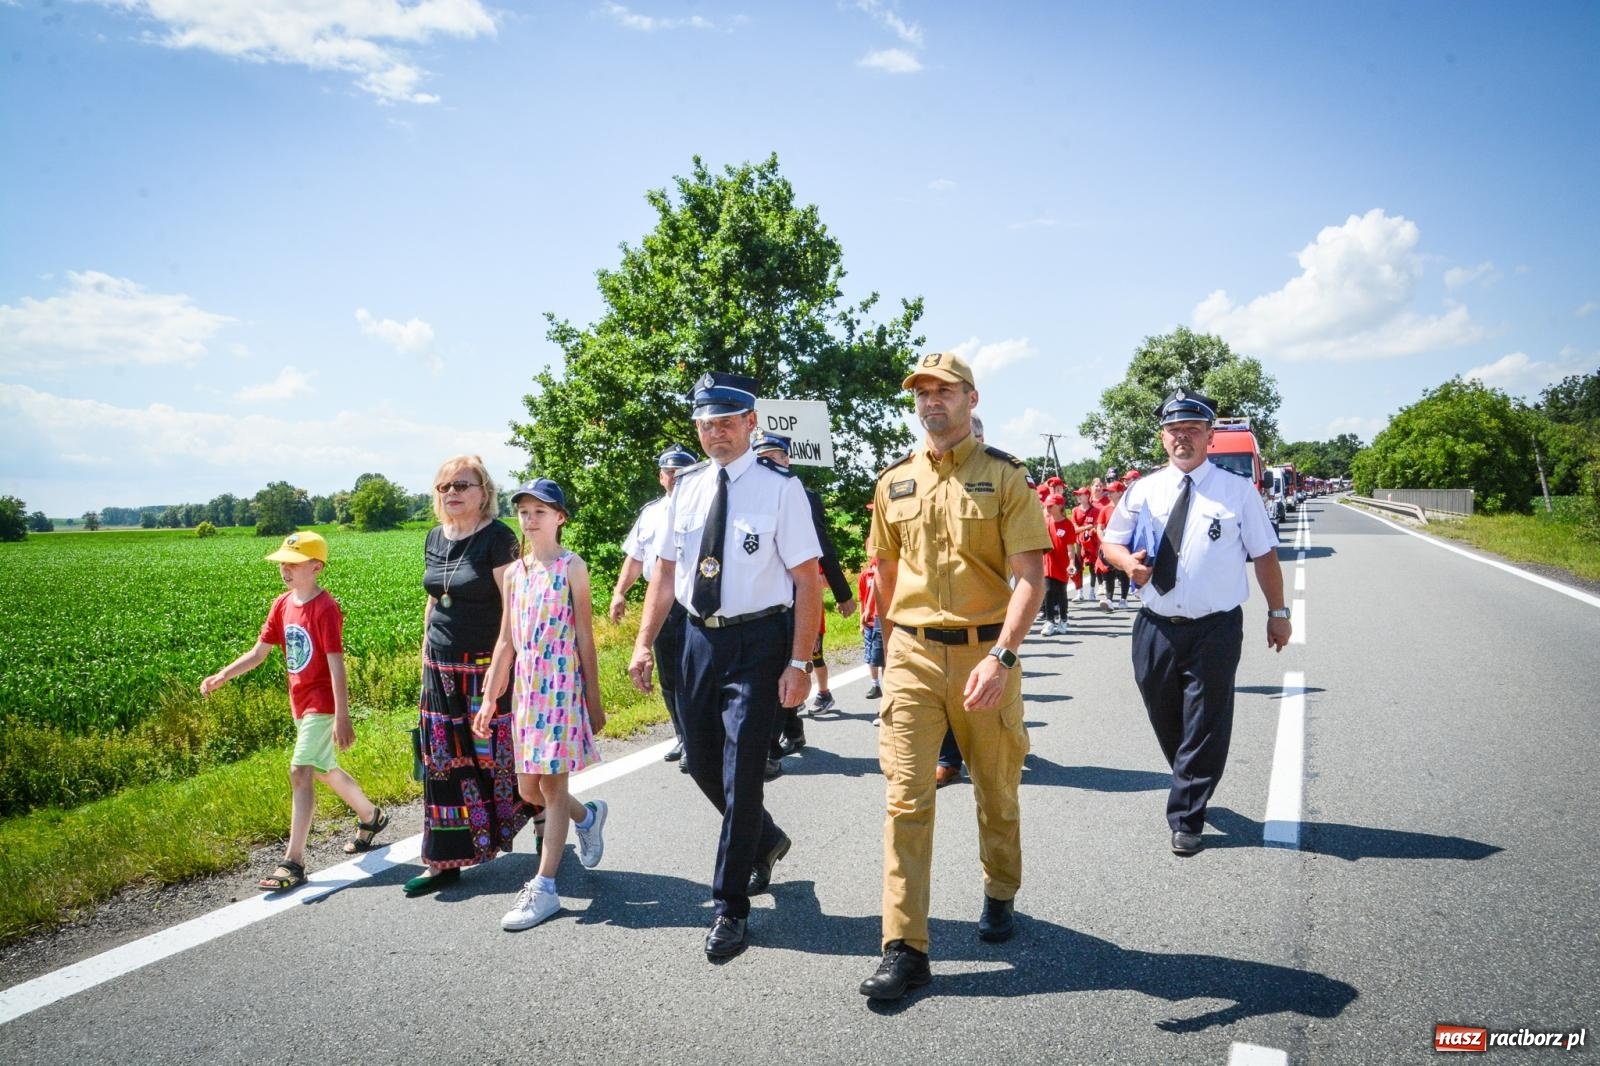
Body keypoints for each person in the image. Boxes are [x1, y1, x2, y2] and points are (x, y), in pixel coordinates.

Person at [860, 351, 1048, 1001]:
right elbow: (883, 571)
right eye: (921, 392)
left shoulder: (1007, 478)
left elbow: (1031, 576)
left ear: (971, 397)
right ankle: (904, 947)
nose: (931, 401)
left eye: (944, 391)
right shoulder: (893, 483)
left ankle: (1001, 889)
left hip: (985, 656)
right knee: (906, 798)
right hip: (911, 654)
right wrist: (886, 650)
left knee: (995, 789)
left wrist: (1003, 655)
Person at [628, 371, 822, 960]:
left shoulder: (781, 489)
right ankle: (763, 838)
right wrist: (643, 642)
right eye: (706, 424)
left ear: (750, 423)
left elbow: (806, 583)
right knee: (701, 761)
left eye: (727, 422)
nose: (716, 433)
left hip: (759, 641)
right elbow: (663, 573)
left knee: (741, 773)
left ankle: (729, 907)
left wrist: (799, 661)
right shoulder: (683, 489)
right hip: (696, 640)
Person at [1100, 388, 1292, 856]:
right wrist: (1128, 565)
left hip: (1214, 627)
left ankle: (1187, 815)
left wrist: (1278, 612)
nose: (1181, 437)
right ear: (1163, 438)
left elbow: (1264, 555)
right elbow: (1111, 544)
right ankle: (1191, 774)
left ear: (1209, 437)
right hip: (1155, 625)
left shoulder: (1237, 491)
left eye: (1192, 430)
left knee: (1205, 720)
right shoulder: (1143, 489)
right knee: (1166, 716)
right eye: (1173, 430)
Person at [202, 531, 388, 892]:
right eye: (282, 564)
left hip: (322, 702)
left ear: (316, 567)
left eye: (293, 564)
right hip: (300, 703)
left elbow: (336, 664)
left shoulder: (325, 608)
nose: (285, 570)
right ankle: (371, 815)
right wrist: (224, 674)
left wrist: (343, 715)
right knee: (323, 768)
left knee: (300, 771)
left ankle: (294, 861)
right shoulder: (282, 604)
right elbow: (259, 653)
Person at [406, 457, 542, 897]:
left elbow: (514, 604)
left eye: (462, 484)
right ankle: (443, 860)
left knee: (499, 757)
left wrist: (506, 668)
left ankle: (546, 817)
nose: (452, 493)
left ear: (484, 491)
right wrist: (425, 652)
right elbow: (433, 599)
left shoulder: (499, 538)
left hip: (488, 666)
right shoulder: (433, 537)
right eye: (444, 485)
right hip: (440, 670)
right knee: (442, 764)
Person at [478, 479, 609, 929]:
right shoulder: (515, 573)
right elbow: (505, 641)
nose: (530, 520)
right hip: (526, 691)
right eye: (524, 512)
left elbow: (586, 639)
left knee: (551, 790)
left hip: (561, 688)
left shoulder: (573, 567)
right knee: (528, 790)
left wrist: (594, 700)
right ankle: (587, 816)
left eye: (539, 512)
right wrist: (490, 696)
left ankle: (545, 888)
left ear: (559, 518)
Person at [751, 432, 856, 776]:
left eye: (774, 457)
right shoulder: (743, 492)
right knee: (775, 672)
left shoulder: (800, 494)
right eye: (761, 456)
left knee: (786, 668)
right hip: (759, 600)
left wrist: (842, 593)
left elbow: (822, 548)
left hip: (795, 597)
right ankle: (791, 731)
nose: (767, 463)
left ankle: (770, 747)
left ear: (787, 459)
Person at [611, 443, 699, 773]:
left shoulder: (706, 506)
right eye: (669, 473)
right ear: (661, 476)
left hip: (691, 600)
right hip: (659, 601)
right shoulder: (651, 513)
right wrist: (620, 592)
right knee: (668, 675)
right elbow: (635, 558)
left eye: (681, 472)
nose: (675, 478)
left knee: (693, 674)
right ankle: (682, 735)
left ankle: (696, 740)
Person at [1040, 493, 1076, 635]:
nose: (1048, 508)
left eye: (1051, 505)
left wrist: (1072, 563)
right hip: (1048, 564)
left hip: (1062, 565)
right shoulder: (1046, 522)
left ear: (1060, 505)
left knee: (1061, 593)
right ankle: (1049, 621)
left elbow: (1070, 548)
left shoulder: (1067, 525)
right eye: (1046, 506)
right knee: (1048, 591)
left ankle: (1064, 619)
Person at [1097, 479, 1131, 610]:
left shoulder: (1128, 509)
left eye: (1111, 492)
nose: (1108, 494)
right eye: (1107, 492)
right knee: (1108, 573)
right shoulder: (1105, 509)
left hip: (1123, 545)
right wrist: (1103, 542)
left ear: (1120, 492)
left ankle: (1123, 599)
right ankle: (1109, 599)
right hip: (1108, 545)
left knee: (1122, 572)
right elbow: (1099, 527)